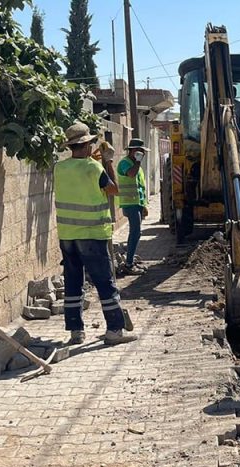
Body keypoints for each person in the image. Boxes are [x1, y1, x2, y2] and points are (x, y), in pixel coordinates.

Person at [54, 122, 138, 346]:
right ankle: (114, 331)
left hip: (67, 235)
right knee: (104, 282)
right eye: (91, 143)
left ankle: (76, 332)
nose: (92, 146)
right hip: (91, 234)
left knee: (73, 282)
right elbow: (113, 189)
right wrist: (107, 161)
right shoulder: (93, 168)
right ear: (86, 145)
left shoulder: (59, 168)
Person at [115, 138, 150, 276]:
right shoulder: (125, 163)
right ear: (132, 151)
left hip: (137, 203)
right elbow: (131, 174)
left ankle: (130, 260)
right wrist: (138, 161)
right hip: (130, 203)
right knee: (135, 232)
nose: (142, 153)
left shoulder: (137, 165)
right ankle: (128, 264)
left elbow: (140, 187)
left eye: (142, 151)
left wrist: (144, 205)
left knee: (136, 232)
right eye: (139, 151)